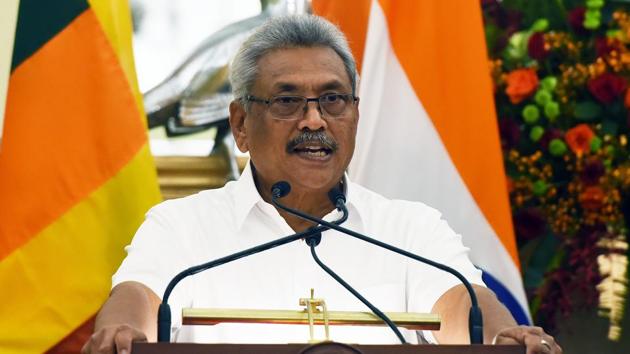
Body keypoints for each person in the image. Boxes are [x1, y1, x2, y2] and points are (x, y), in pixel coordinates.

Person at [82, 14, 562, 354]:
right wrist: (122, 332)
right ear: (242, 124)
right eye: (287, 102)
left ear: (355, 114)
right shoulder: (180, 226)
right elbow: (139, 297)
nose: (314, 121)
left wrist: (504, 337)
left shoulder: (411, 229)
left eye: (333, 99)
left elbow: (466, 305)